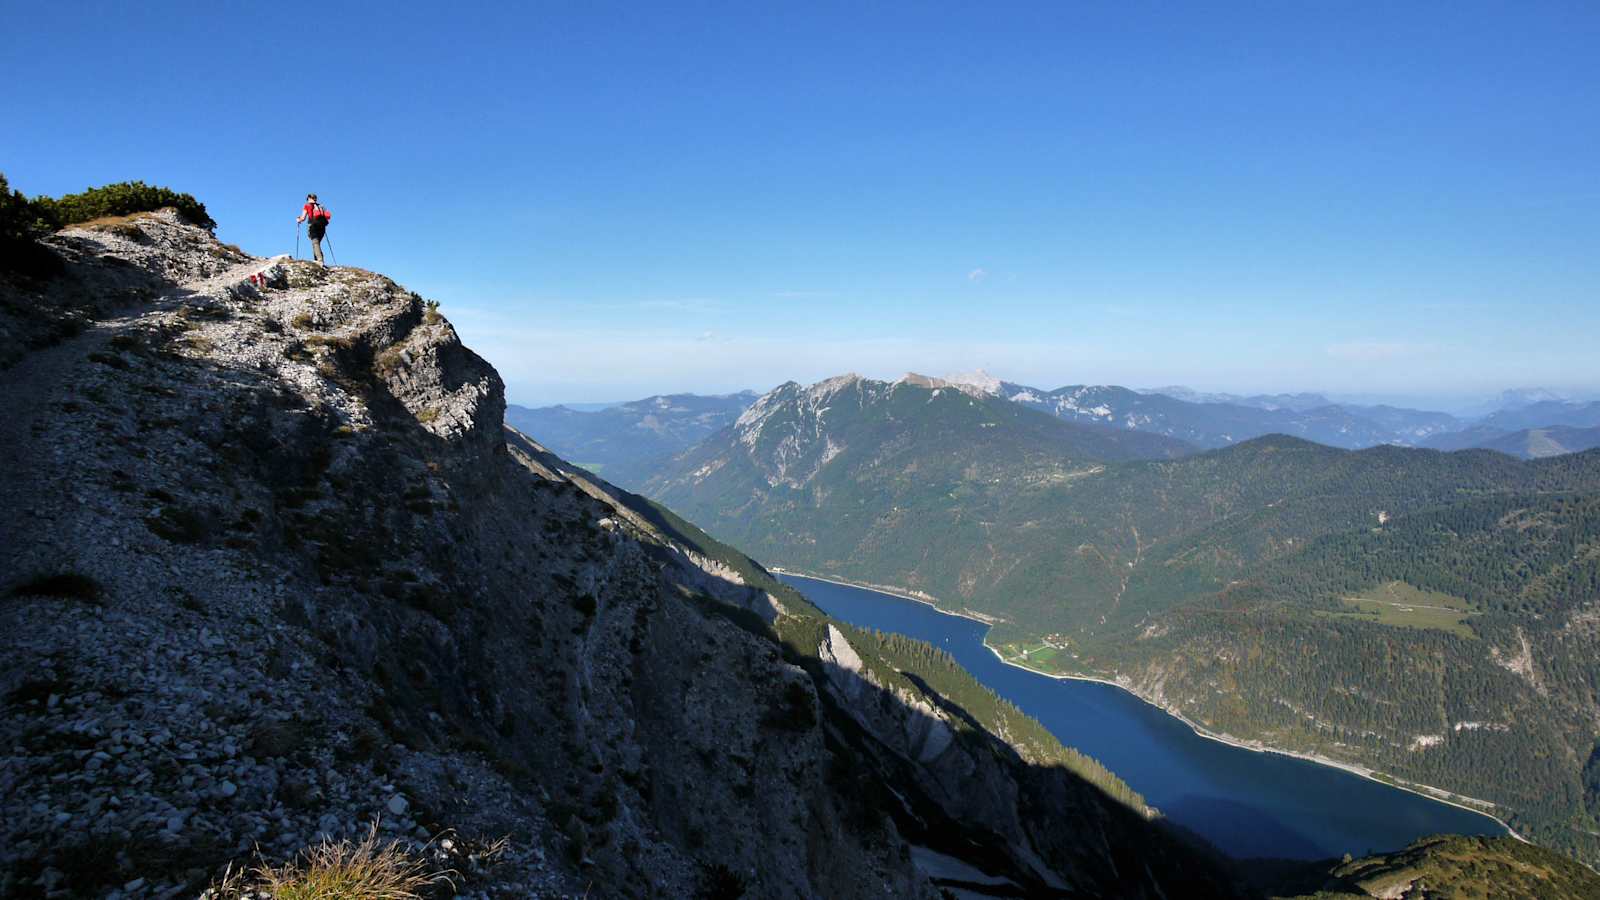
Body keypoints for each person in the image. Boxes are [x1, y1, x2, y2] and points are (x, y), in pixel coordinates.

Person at [296, 193, 332, 266]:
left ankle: (320, 260)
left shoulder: (307, 205)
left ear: (309, 198)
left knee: (315, 243)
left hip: (313, 226)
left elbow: (303, 218)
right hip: (322, 227)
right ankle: (317, 261)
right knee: (316, 244)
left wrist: (298, 220)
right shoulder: (321, 206)